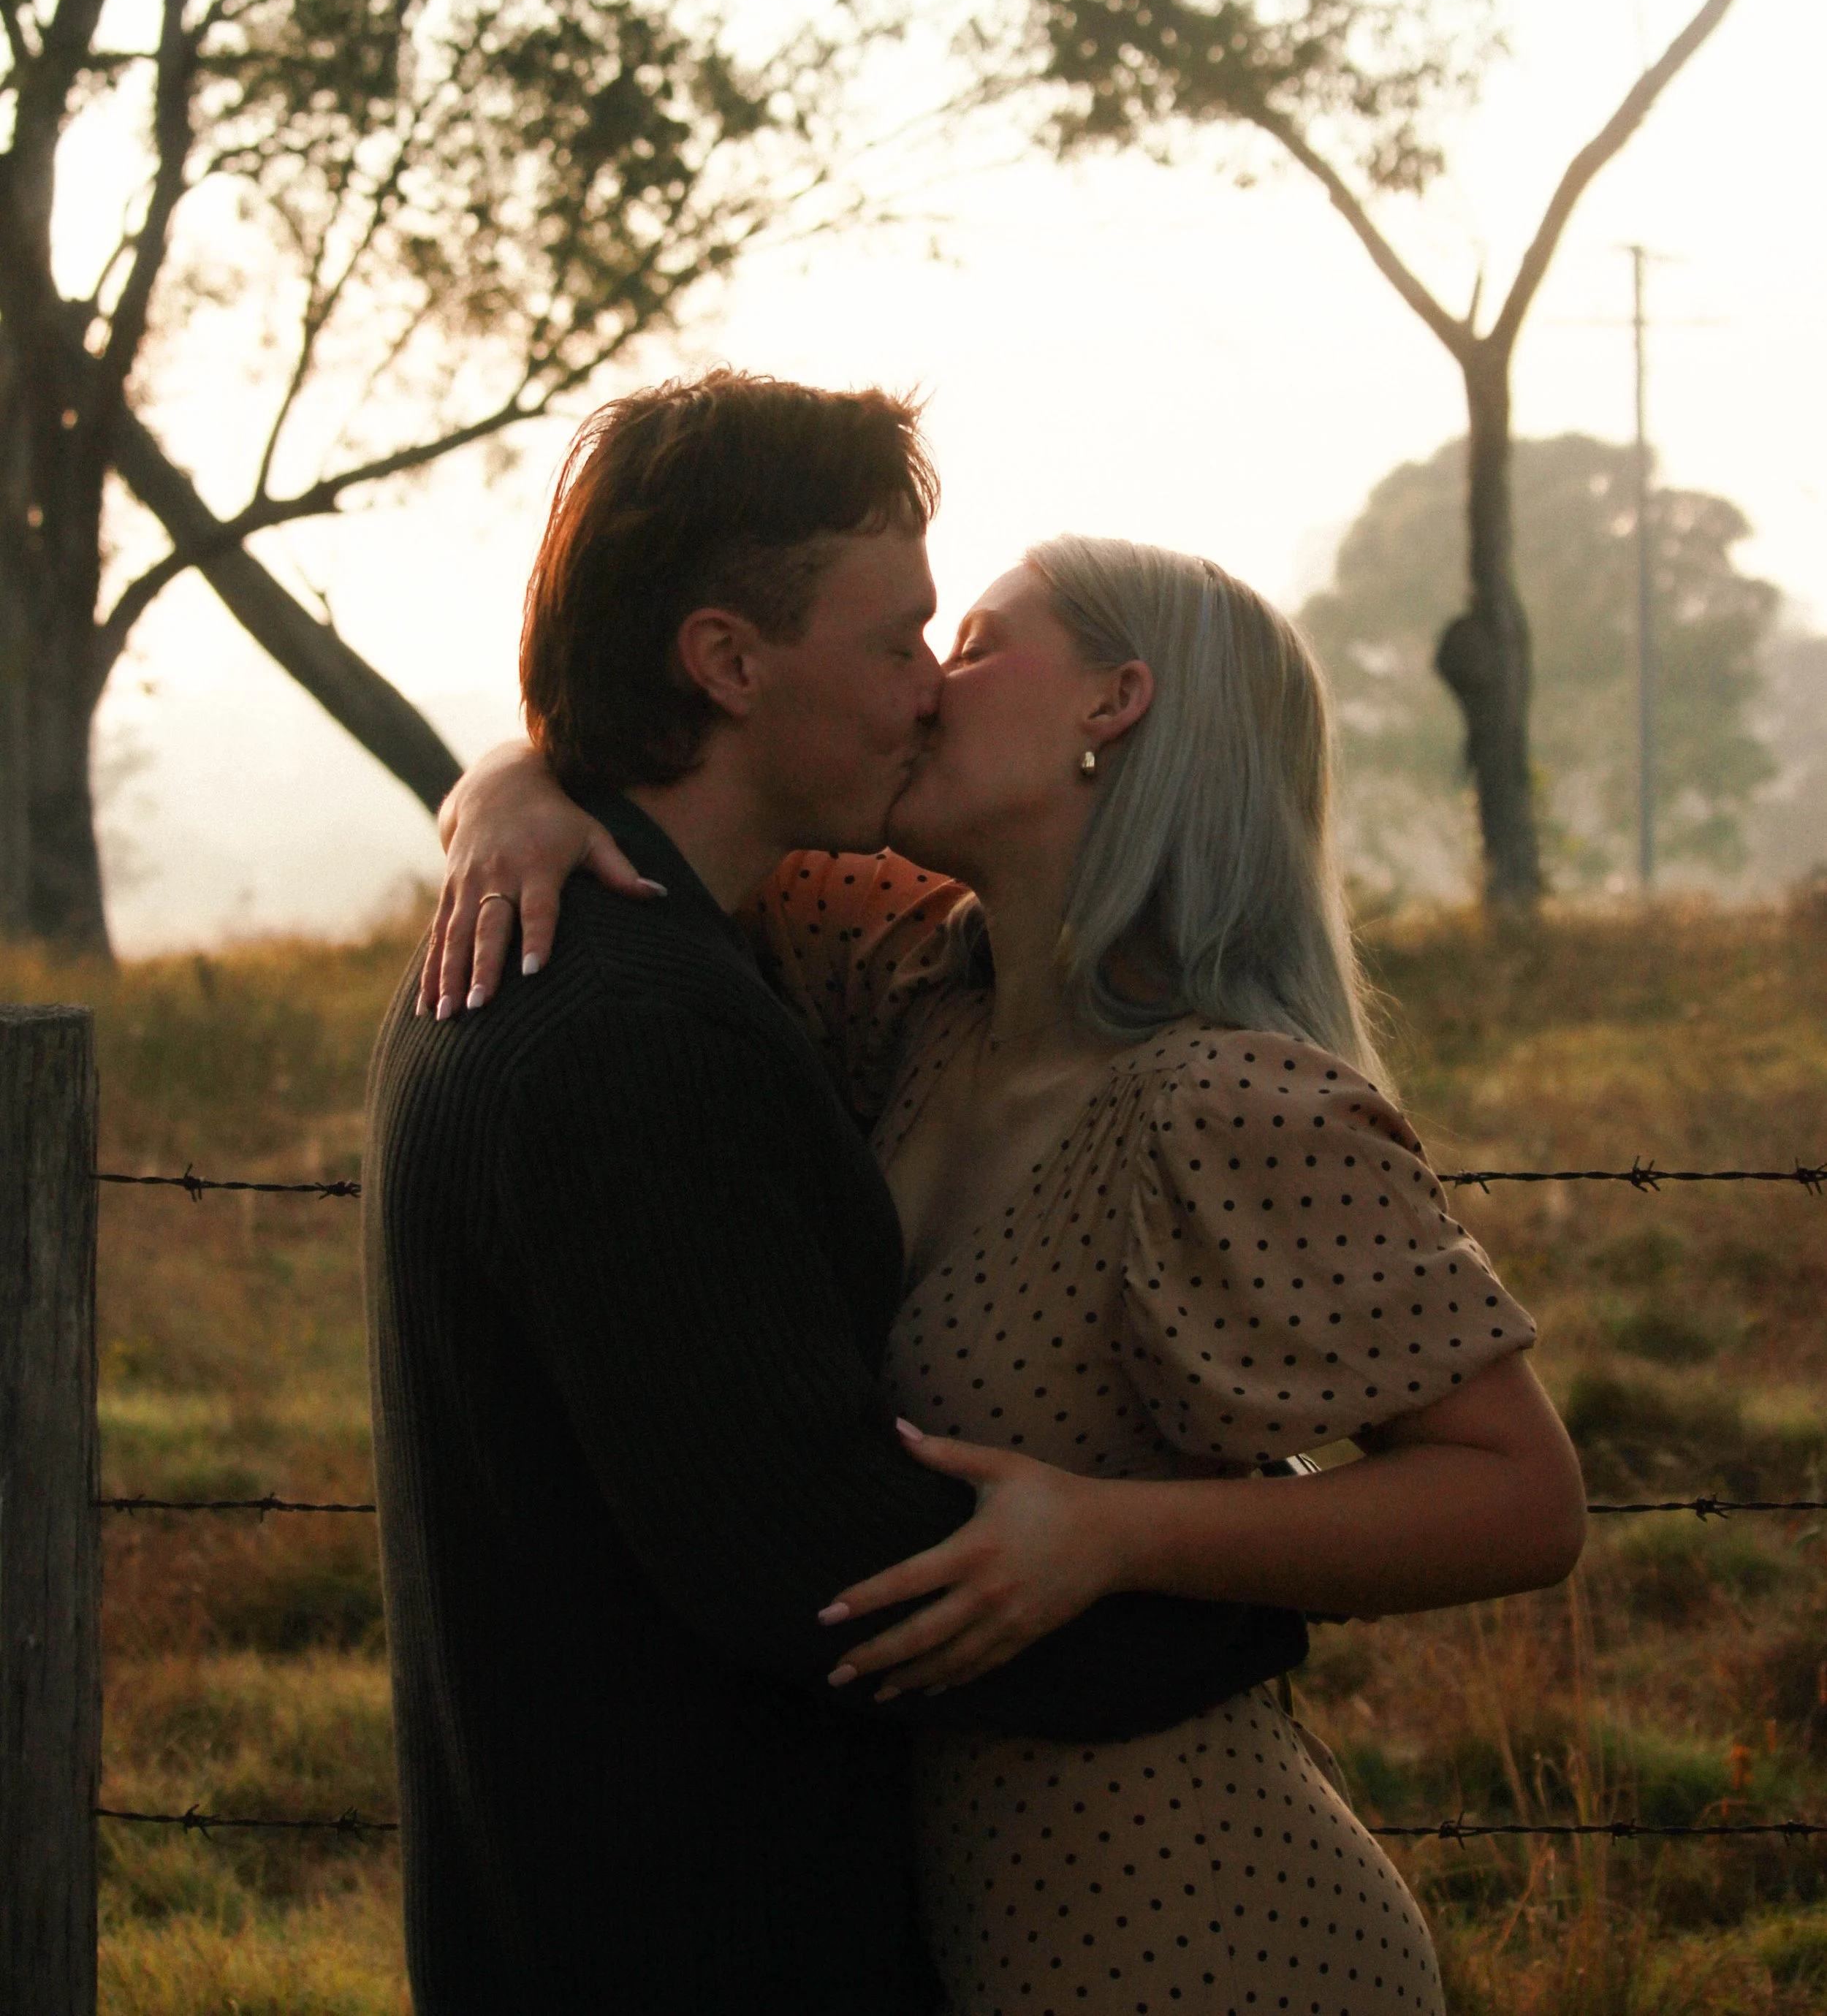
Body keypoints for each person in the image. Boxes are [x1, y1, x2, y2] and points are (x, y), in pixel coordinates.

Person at [433, 510, 1588, 2016]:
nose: (920, 685)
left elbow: (1520, 1499)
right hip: (946, 1933)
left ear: (1114, 705)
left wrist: (1110, 1535)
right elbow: (679, 799)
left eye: (969, 648)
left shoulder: (1226, 1097)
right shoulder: (914, 984)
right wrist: (505, 789)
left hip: (1199, 1936)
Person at [365, 374, 1308, 2016]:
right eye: (896, 642)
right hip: (689, 1938)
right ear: (726, 662)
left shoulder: (631, 938)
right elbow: (826, 1575)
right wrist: (1239, 1614)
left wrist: (521, 779)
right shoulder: (631, 1028)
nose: (927, 693)